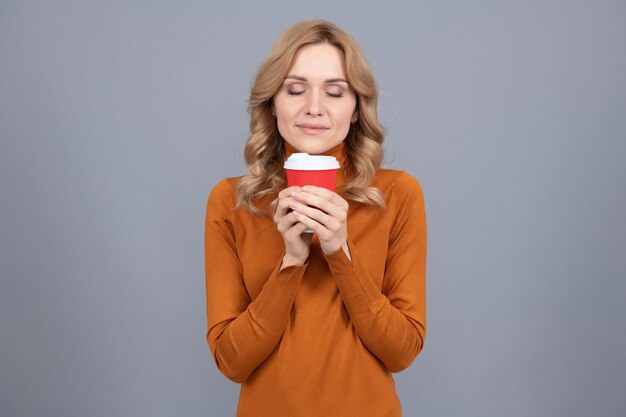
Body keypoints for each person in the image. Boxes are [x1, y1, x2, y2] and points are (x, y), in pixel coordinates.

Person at [204, 19, 427, 417]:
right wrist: (290, 262)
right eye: (294, 89)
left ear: (357, 108)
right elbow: (231, 361)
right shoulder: (231, 201)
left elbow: (402, 351)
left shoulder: (397, 194)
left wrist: (340, 252)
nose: (313, 107)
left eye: (335, 92)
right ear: (272, 103)